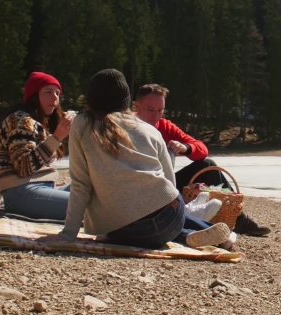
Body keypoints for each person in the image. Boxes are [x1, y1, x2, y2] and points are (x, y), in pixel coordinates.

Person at [38, 69, 234, 250]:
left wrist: (68, 234)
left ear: (92, 98)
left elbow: (81, 185)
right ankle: (188, 234)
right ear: (127, 101)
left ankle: (188, 234)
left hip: (126, 229)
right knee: (153, 227)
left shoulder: (81, 124)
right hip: (170, 218)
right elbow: (170, 181)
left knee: (121, 229)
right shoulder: (150, 130)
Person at [133, 84, 271, 236]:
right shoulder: (128, 127)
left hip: (167, 186)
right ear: (137, 107)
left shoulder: (164, 126)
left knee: (207, 165)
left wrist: (186, 148)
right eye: (150, 110)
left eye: (160, 110)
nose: (156, 116)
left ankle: (238, 218)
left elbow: (202, 149)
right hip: (139, 191)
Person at [0, 72, 74, 220]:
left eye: (57, 93)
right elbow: (23, 167)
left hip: (39, 190)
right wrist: (57, 137)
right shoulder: (20, 120)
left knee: (97, 192)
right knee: (90, 206)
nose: (55, 98)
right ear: (34, 96)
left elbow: (2, 164)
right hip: (23, 193)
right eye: (48, 92)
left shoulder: (34, 121)